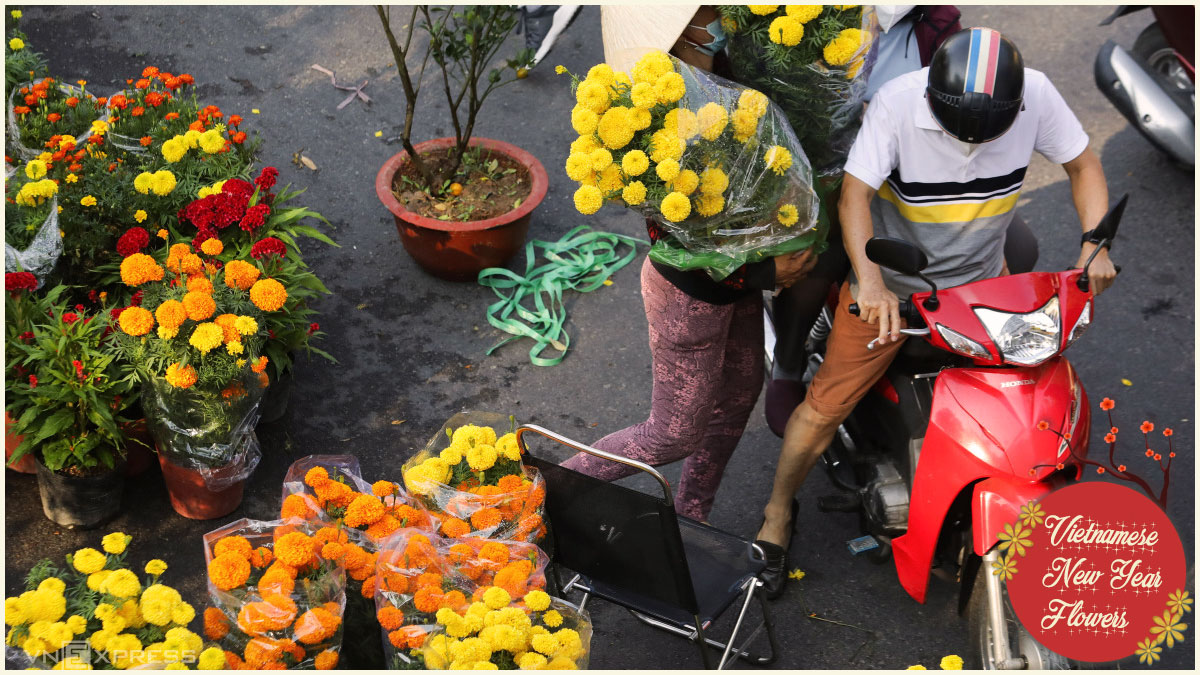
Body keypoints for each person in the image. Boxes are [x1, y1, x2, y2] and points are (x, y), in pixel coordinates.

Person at [753, 27, 1118, 598]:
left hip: (982, 288)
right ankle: (776, 518)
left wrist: (1095, 245)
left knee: (1026, 397)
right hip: (895, 290)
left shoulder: (1037, 95)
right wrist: (869, 282)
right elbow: (854, 196)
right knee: (822, 411)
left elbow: (1084, 166)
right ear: (933, 100)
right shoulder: (898, 103)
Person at [560, 6, 817, 522]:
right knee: (672, 433)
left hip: (735, 289)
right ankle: (550, 486)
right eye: (707, 10)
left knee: (738, 398)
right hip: (688, 299)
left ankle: (692, 514)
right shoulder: (658, 116)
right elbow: (679, 238)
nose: (721, 13)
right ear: (676, 31)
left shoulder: (724, 76)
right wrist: (769, 274)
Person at [764, 5, 967, 438]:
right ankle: (788, 361)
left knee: (1020, 246)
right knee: (816, 261)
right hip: (830, 171)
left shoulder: (936, 24)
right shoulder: (809, 20)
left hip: (915, 175)